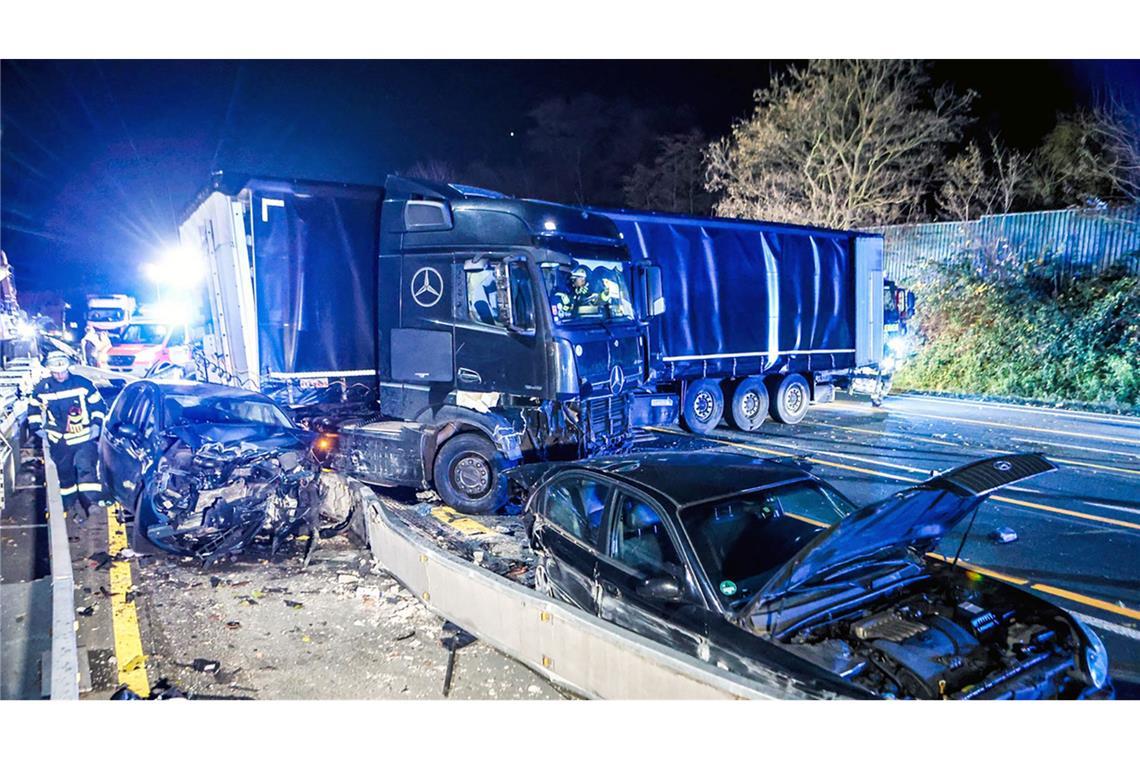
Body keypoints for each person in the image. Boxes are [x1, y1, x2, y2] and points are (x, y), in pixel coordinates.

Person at [27, 351, 107, 522]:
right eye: (55, 372)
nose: (60, 375)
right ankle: (68, 504)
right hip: (59, 442)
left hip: (83, 438)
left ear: (68, 368)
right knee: (65, 474)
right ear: (49, 370)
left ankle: (91, 502)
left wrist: (96, 425)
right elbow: (33, 409)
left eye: (62, 371)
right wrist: (37, 428)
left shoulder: (83, 384)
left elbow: (98, 406)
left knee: (87, 470)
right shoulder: (42, 388)